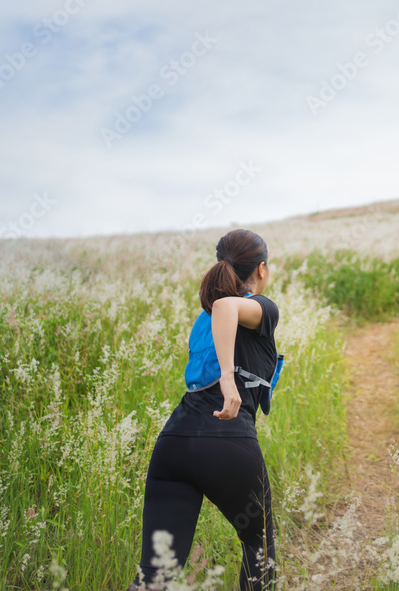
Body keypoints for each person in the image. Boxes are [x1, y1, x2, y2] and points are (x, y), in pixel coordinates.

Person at [129, 229, 279, 591]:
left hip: (174, 445)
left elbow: (221, 310)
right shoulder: (259, 308)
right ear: (262, 269)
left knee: (156, 573)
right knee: (260, 549)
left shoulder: (203, 318)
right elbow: (228, 305)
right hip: (225, 441)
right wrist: (229, 378)